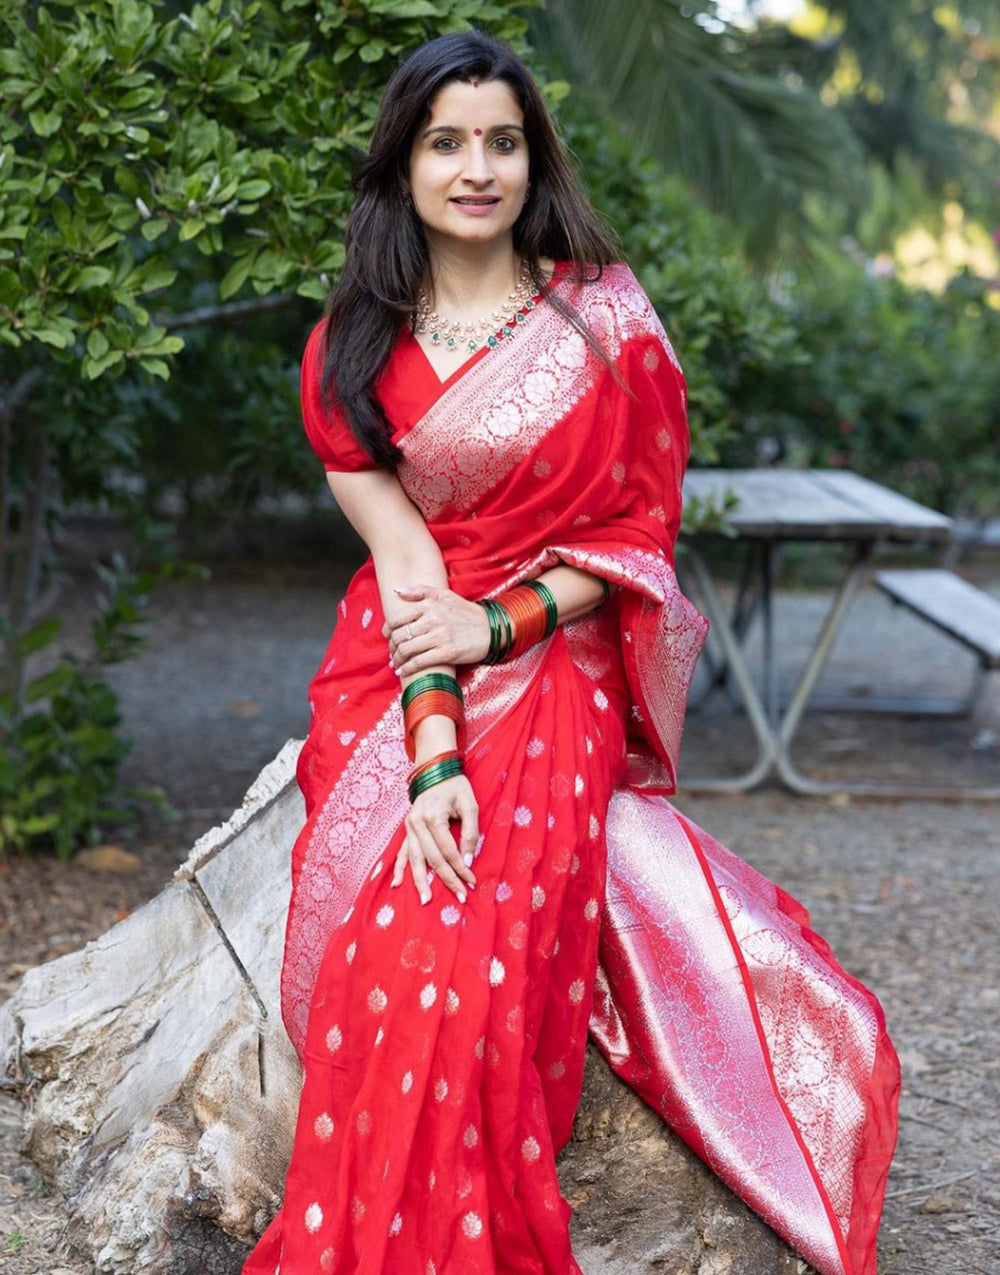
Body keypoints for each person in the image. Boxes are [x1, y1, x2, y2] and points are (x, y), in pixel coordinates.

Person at [243, 30, 899, 1275]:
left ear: (533, 160)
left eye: (502, 140)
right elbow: (404, 564)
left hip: (558, 658)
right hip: (399, 665)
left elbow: (636, 538)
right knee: (392, 953)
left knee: (468, 981)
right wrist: (435, 756)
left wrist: (503, 627)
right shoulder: (351, 351)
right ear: (402, 166)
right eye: (447, 143)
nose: (476, 167)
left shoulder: (603, 324)